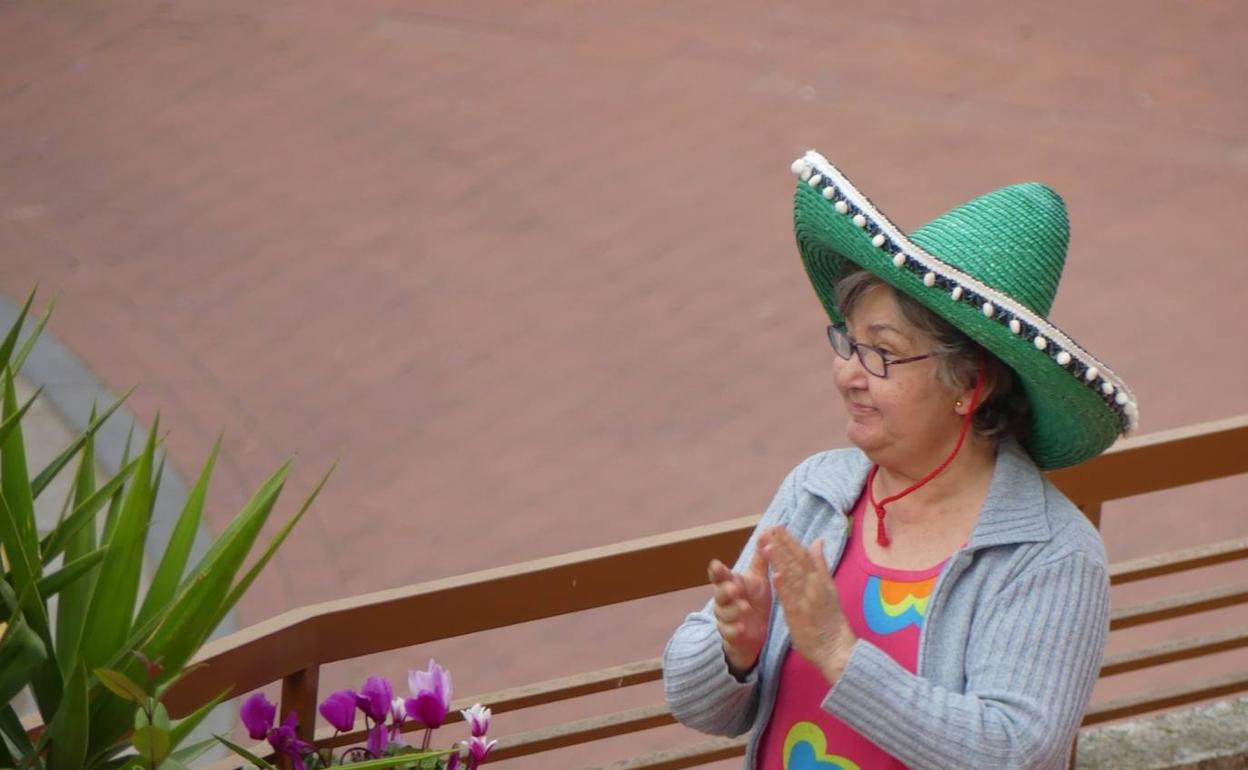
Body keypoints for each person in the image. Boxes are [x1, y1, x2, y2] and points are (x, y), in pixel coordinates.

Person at [663, 150, 1137, 770]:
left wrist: (840, 653)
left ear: (971, 383)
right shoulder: (818, 489)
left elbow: (1014, 752)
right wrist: (735, 651)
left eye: (881, 354)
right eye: (849, 343)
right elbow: (695, 704)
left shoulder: (1052, 555)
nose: (846, 375)